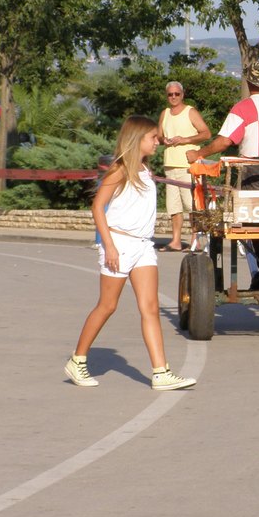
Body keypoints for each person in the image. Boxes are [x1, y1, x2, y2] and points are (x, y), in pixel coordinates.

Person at [65, 115, 196, 391]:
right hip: (121, 244)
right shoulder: (120, 169)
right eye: (153, 138)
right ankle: (77, 360)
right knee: (107, 306)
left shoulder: (146, 170)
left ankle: (161, 372)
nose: (157, 142)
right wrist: (109, 245)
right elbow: (97, 207)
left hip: (144, 246)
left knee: (150, 308)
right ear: (138, 139)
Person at [186, 60, 259, 290]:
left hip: (253, 170)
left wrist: (199, 152)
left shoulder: (243, 108)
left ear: (249, 81)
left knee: (256, 221)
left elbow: (225, 141)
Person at [158, 81, 211, 252]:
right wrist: (163, 140)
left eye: (176, 94)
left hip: (188, 165)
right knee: (173, 206)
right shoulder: (164, 113)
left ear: (182, 94)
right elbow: (158, 135)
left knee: (191, 204)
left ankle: (196, 240)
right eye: (170, 94)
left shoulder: (190, 112)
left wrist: (185, 139)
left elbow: (206, 133)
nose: (173, 97)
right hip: (170, 164)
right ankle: (176, 241)